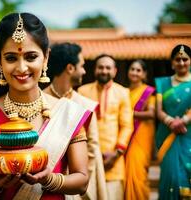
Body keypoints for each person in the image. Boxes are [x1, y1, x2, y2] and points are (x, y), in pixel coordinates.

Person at [0, 13, 91, 200]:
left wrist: (49, 180)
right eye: (11, 58)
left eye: (31, 57)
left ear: (46, 57)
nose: (22, 68)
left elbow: (82, 181)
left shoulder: (67, 113)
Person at [43, 42, 108, 200]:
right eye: (82, 65)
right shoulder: (41, 101)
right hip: (42, 187)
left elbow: (92, 151)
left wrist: (79, 184)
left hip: (78, 190)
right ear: (70, 68)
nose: (85, 71)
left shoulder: (84, 105)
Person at [77, 54, 133, 200]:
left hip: (113, 160)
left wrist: (117, 153)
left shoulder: (123, 93)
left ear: (114, 71)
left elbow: (127, 126)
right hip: (88, 158)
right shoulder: (83, 92)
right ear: (95, 70)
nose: (104, 71)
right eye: (100, 67)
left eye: (108, 68)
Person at [155, 44, 191, 200]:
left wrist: (183, 121)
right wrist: (171, 122)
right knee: (170, 176)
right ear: (172, 63)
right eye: (178, 59)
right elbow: (158, 110)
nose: (181, 63)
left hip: (188, 136)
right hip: (167, 135)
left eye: (185, 59)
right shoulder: (162, 83)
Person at [124, 60, 156, 199]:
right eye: (132, 69)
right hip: (126, 135)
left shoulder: (148, 92)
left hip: (141, 135)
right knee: (125, 173)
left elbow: (152, 113)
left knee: (138, 172)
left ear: (144, 74)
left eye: (138, 70)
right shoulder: (124, 92)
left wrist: (130, 113)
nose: (135, 73)